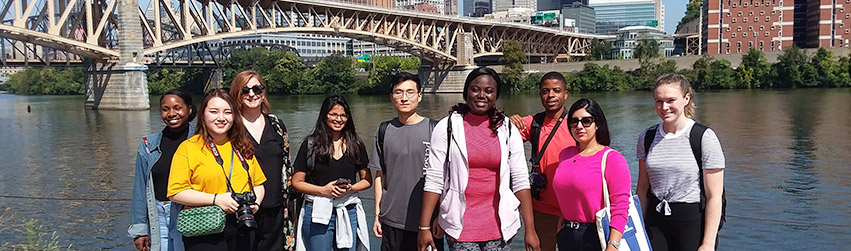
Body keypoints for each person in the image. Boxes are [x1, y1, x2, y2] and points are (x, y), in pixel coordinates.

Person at [418, 67, 540, 251]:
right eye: (475, 89)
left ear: (496, 94)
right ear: (466, 92)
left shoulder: (508, 129)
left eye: (489, 91)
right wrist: (424, 226)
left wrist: (530, 229)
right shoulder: (447, 127)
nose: (481, 95)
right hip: (459, 227)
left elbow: (520, 180)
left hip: (500, 227)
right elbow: (434, 179)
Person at [168, 88, 267, 251]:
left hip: (242, 224)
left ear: (234, 116)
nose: (221, 118)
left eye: (227, 112)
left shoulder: (242, 146)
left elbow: (258, 184)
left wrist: (255, 203)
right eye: (214, 112)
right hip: (204, 225)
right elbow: (176, 192)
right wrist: (216, 199)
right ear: (203, 115)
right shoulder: (188, 148)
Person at [636, 74, 725, 251]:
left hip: (691, 220)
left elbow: (714, 196)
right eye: (658, 101)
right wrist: (638, 227)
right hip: (655, 220)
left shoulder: (703, 137)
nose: (664, 107)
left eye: (670, 100)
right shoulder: (647, 137)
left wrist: (707, 244)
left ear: (686, 99)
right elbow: (643, 188)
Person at [370, 72, 444, 251]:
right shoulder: (384, 130)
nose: (404, 98)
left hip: (427, 222)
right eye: (398, 92)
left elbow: (446, 178)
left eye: (410, 92)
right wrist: (377, 215)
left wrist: (440, 216)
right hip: (391, 220)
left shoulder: (436, 129)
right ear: (391, 97)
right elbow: (380, 176)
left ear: (419, 96)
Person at [293, 94, 372, 251]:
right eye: (334, 114)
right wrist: (323, 190)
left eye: (343, 115)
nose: (339, 119)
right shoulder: (310, 144)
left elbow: (367, 179)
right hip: (317, 210)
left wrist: (351, 189)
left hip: (348, 210)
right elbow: (296, 182)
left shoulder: (355, 144)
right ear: (324, 115)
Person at [507, 71, 575, 251]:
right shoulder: (533, 124)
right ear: (540, 95)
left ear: (565, 94)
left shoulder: (577, 124)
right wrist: (509, 121)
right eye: (545, 91)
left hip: (575, 209)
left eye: (556, 90)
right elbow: (499, 136)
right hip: (543, 209)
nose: (550, 95)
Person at [229, 70, 296, 251]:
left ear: (263, 92)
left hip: (276, 210)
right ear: (237, 93)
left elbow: (287, 165)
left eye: (257, 89)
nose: (252, 94)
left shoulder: (276, 125)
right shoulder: (230, 127)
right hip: (242, 211)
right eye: (245, 90)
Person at [552, 98, 630, 251]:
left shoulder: (611, 158)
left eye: (586, 121)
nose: (579, 126)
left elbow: (620, 207)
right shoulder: (565, 155)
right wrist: (561, 228)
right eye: (574, 122)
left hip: (596, 235)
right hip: (567, 235)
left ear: (597, 124)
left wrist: (613, 245)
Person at [130, 89, 195, 251]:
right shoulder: (148, 146)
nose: (172, 113)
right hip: (158, 216)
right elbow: (140, 189)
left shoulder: (201, 141)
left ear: (189, 110)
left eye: (178, 108)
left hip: (189, 214)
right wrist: (139, 230)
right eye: (166, 109)